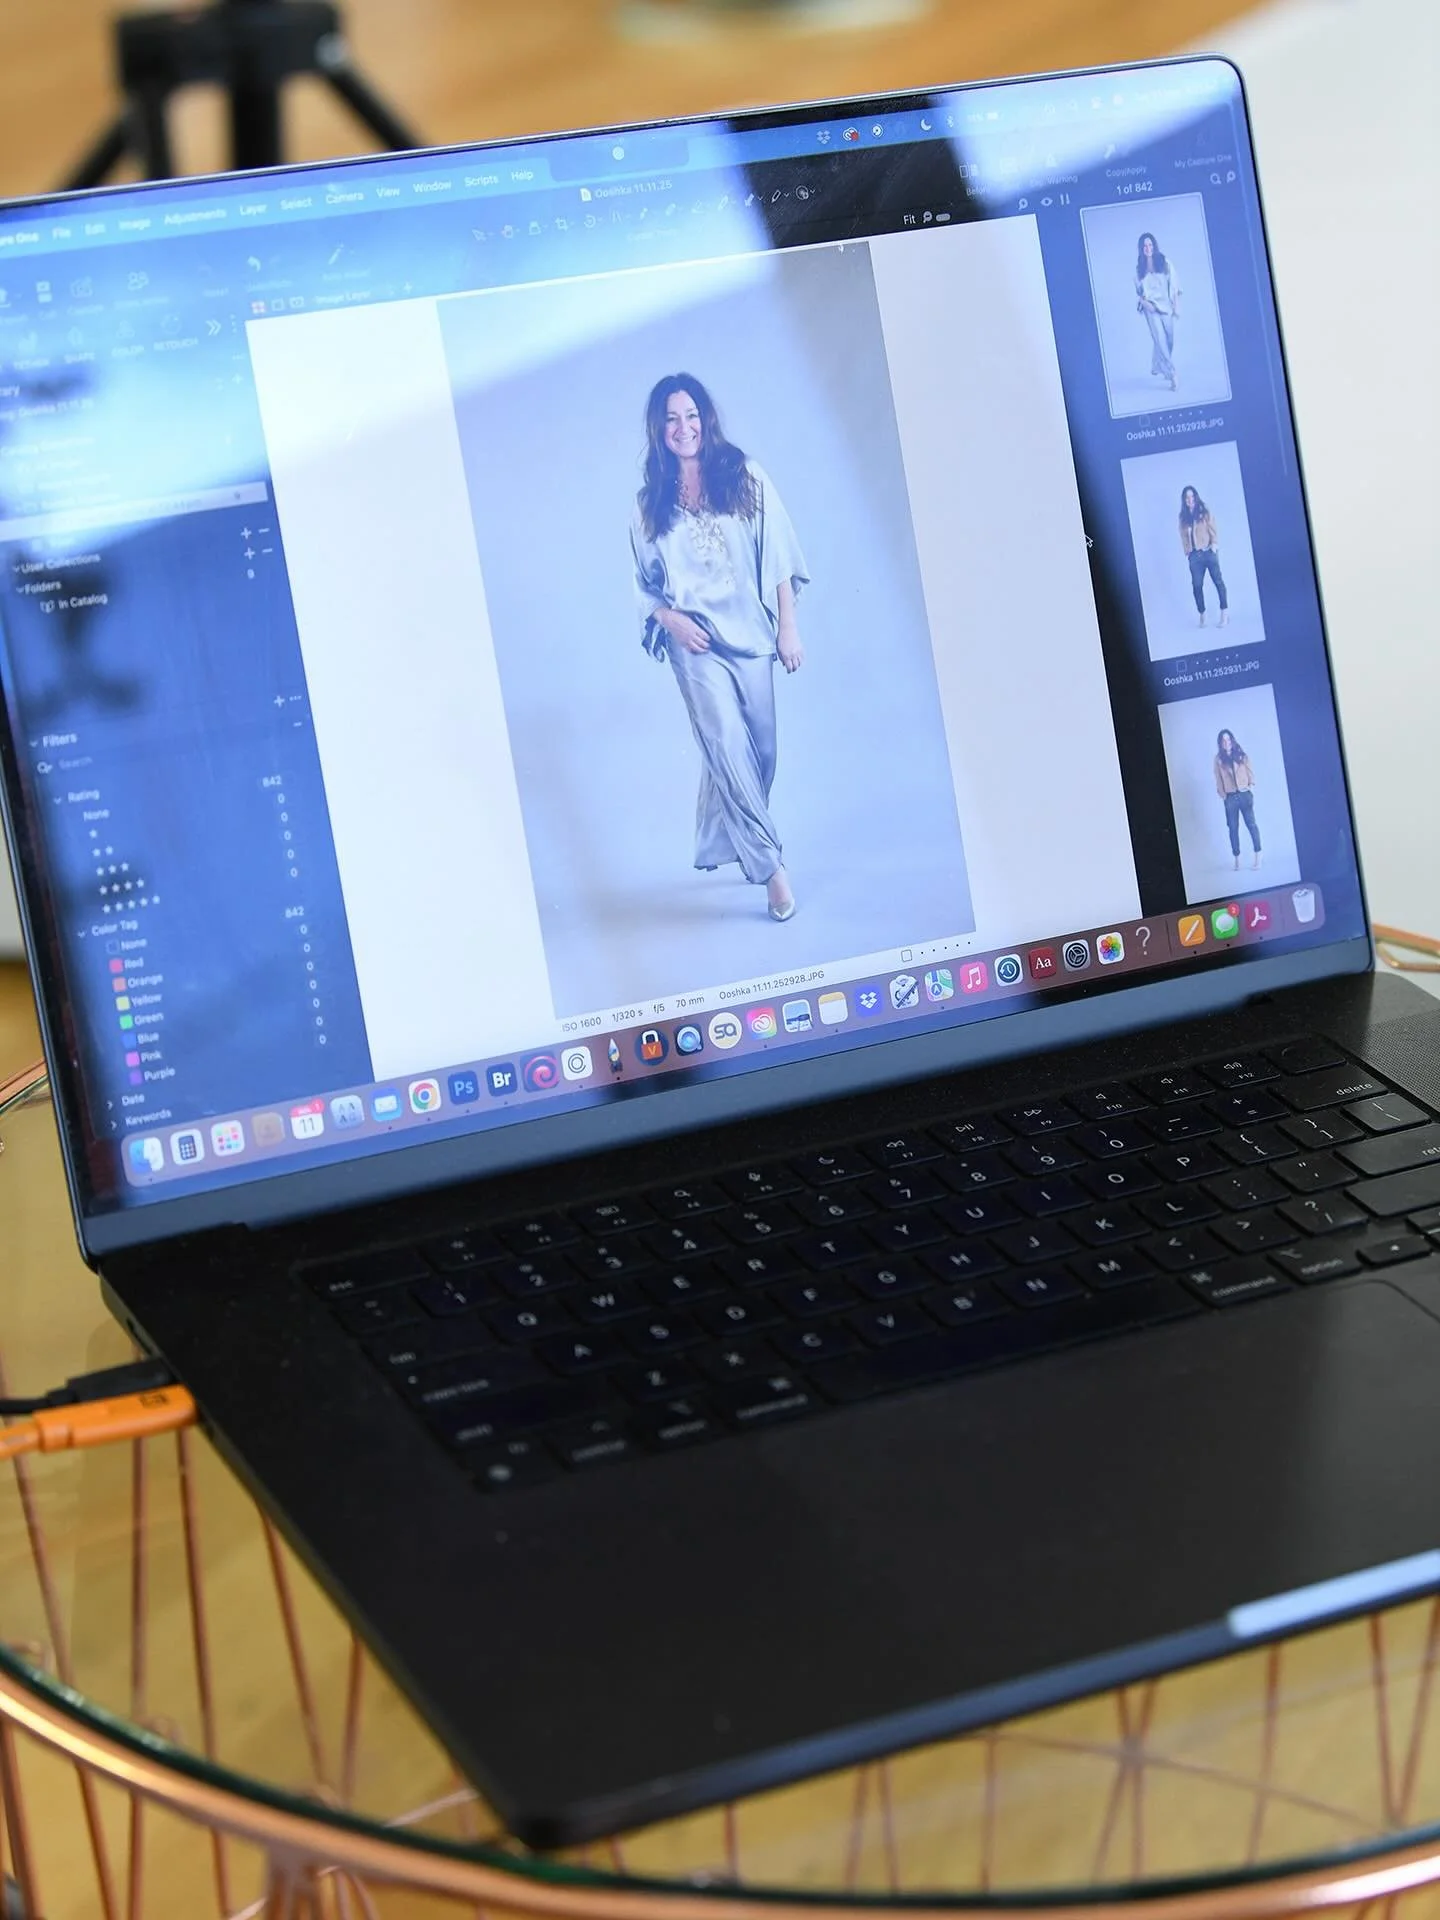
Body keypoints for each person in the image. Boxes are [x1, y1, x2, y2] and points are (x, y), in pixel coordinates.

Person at [630, 373, 808, 922]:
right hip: (696, 645)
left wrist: (787, 626)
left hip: (752, 636)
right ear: (659, 430)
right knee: (726, 745)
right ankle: (772, 871)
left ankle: (723, 840)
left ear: (705, 418)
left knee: (760, 753)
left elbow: (778, 548)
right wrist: (671, 621)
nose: (683, 427)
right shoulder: (648, 503)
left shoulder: (743, 474)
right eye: (671, 419)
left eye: (691, 415)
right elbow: (644, 586)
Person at [1135, 232, 1181, 392]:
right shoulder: (1139, 269)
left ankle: (1156, 364)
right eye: (1145, 246)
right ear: (1141, 248)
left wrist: (1176, 306)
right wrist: (1145, 304)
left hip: (1166, 307)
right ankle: (1172, 374)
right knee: (1159, 339)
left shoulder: (1164, 262)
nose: (1148, 248)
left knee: (1169, 340)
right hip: (1151, 309)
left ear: (1154, 246)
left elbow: (1174, 285)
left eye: (1150, 245)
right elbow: (1139, 293)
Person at [1178, 484, 1228, 628]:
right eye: (1187, 497)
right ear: (1184, 500)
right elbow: (1183, 535)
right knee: (1197, 586)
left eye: (1192, 496)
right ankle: (1202, 614)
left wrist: (1214, 545)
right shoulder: (1183, 518)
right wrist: (1187, 550)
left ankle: (1224, 613)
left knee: (1218, 582)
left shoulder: (1204, 511)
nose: (1190, 499)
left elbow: (1213, 528)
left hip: (1208, 552)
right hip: (1195, 557)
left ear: (1196, 496)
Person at [1213, 728, 1261, 871]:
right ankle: (1237, 859)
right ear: (1220, 743)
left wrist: (1250, 788)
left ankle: (1258, 856)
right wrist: (1223, 795)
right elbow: (1218, 779)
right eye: (1223, 740)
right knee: (1233, 828)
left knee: (1251, 825)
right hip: (1230, 797)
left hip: (1244, 794)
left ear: (1232, 740)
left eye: (1228, 739)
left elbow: (1250, 773)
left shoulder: (1242, 755)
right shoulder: (1218, 759)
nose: (1226, 742)